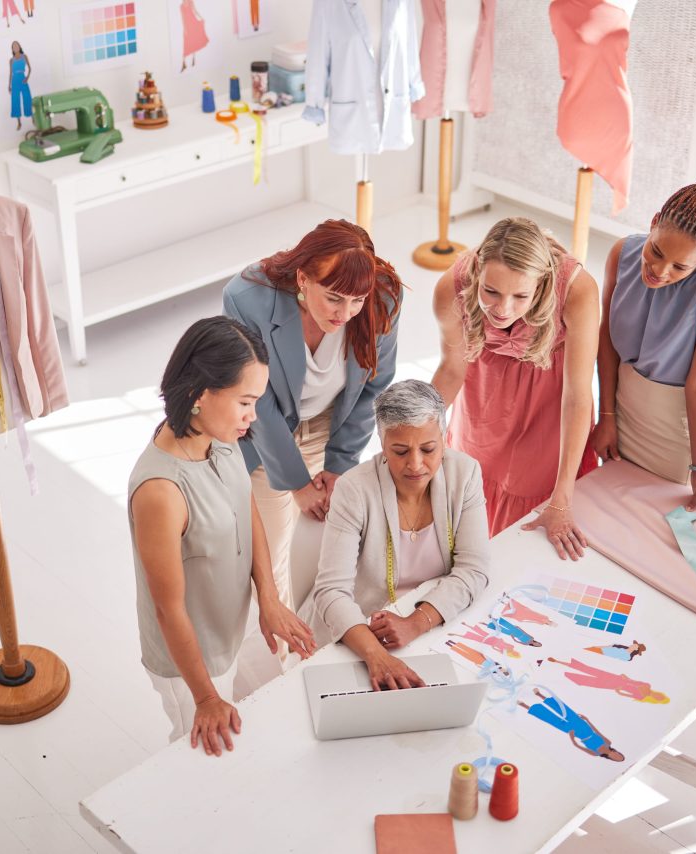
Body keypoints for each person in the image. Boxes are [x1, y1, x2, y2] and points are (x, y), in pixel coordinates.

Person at [129, 317, 315, 756]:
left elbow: (244, 506)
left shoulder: (219, 437)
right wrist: (207, 698)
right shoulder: (161, 491)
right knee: (205, 758)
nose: (253, 416)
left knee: (271, 713)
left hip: (241, 621)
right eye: (245, 402)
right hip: (194, 662)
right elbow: (167, 609)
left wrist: (268, 598)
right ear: (199, 394)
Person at [223, 219, 403, 614]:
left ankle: (311, 645)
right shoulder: (246, 298)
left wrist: (339, 465)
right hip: (262, 436)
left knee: (323, 550)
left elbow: (374, 386)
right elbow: (258, 401)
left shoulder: (383, 300)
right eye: (335, 298)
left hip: (330, 425)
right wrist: (297, 483)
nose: (346, 313)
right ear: (304, 279)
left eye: (357, 300)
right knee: (265, 563)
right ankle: (276, 659)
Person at [431, 217, 600, 556]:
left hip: (548, 409)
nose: (502, 309)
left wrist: (562, 500)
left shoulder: (578, 291)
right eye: (490, 291)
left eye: (520, 295)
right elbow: (451, 369)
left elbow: (578, 397)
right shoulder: (451, 288)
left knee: (530, 531)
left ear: (542, 284)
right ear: (477, 269)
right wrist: (418, 430)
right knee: (474, 508)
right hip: (484, 403)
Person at [307, 380, 490, 690]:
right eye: (400, 451)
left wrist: (416, 624)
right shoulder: (353, 489)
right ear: (382, 445)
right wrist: (377, 656)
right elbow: (331, 592)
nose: (416, 464)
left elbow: (474, 569)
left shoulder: (466, 473)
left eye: (428, 449)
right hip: (359, 633)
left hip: (430, 626)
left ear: (444, 440)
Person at [591, 169, 696, 510]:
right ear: (654, 222)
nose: (660, 271)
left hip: (680, 431)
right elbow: (606, 339)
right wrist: (606, 415)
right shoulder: (622, 254)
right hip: (624, 408)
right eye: (657, 251)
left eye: (680, 267)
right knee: (615, 517)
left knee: (663, 529)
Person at [519, 688, 625, 761]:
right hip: (585, 727)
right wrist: (587, 720)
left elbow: (577, 746)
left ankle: (524, 705)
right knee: (565, 710)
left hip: (576, 734)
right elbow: (597, 732)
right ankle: (539, 694)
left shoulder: (596, 754)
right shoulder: (608, 742)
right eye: (618, 755)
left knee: (552, 719)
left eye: (616, 758)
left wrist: (572, 737)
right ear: (618, 752)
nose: (616, 756)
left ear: (612, 759)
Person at [541, 656, 669, 704]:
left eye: (658, 698)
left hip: (613, 685)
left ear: (655, 699)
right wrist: (626, 677)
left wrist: (619, 691)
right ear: (659, 693)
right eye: (659, 696)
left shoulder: (641, 697)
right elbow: (634, 681)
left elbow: (626, 694)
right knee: (588, 669)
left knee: (587, 680)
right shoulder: (648, 684)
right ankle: (558, 661)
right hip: (617, 678)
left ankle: (561, 674)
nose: (657, 696)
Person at [8, 42, 32, 131]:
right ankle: (19, 122)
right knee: (15, 101)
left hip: (22, 78)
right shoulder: (11, 60)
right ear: (12, 49)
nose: (15, 47)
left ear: (19, 47)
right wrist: (9, 85)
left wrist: (27, 78)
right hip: (14, 81)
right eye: (13, 46)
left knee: (27, 98)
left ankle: (32, 117)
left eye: (16, 45)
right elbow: (10, 73)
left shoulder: (24, 56)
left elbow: (30, 68)